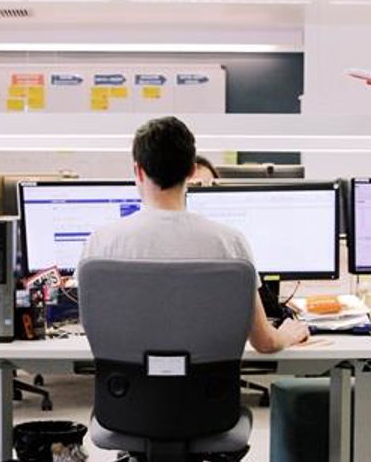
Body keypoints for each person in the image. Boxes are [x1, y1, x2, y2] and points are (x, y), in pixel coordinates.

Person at [80, 116, 310, 355]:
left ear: (138, 171)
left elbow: (95, 329)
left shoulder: (101, 243)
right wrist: (288, 333)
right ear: (191, 170)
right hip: (207, 379)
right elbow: (265, 343)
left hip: (127, 378)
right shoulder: (230, 242)